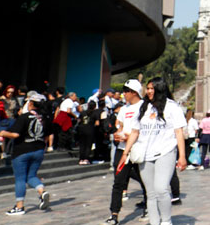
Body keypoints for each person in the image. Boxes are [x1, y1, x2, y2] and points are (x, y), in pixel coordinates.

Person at [118, 78, 187, 225]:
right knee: (151, 193)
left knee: (161, 189)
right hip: (145, 153)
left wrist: (182, 156)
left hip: (165, 151)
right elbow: (135, 132)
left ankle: (166, 222)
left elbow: (179, 132)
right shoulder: (144, 107)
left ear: (160, 89)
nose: (149, 91)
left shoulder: (172, 107)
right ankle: (155, 222)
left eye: (152, 88)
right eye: (148, 88)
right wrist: (125, 153)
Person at [0, 92, 50, 216]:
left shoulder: (24, 117)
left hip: (22, 150)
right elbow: (47, 135)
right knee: (31, 176)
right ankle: (41, 191)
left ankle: (19, 206)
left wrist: (2, 133)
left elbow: (15, 134)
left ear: (31, 103)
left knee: (20, 179)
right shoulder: (45, 118)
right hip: (38, 150)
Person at [105, 80, 148, 225]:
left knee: (145, 180)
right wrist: (118, 134)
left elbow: (147, 131)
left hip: (139, 149)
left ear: (134, 92)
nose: (123, 94)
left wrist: (130, 137)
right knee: (118, 182)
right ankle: (114, 214)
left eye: (126, 90)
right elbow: (120, 126)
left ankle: (148, 207)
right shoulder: (124, 109)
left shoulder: (145, 107)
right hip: (123, 149)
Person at [77, 100, 100, 165]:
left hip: (82, 129)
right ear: (94, 106)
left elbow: (79, 120)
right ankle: (86, 159)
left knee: (82, 144)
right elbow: (97, 123)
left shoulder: (83, 112)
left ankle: (81, 159)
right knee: (88, 145)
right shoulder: (95, 113)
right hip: (90, 130)